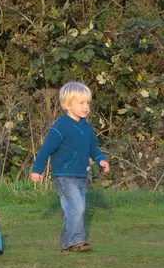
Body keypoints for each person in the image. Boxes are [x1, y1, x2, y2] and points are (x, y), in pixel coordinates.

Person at [30, 81, 110, 252]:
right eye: (81, 103)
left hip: (81, 175)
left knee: (72, 210)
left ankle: (65, 245)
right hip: (64, 176)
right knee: (77, 207)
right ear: (67, 105)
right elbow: (46, 149)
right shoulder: (61, 126)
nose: (86, 107)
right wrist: (37, 169)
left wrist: (100, 159)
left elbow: (93, 147)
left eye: (87, 103)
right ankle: (77, 241)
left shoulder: (86, 127)